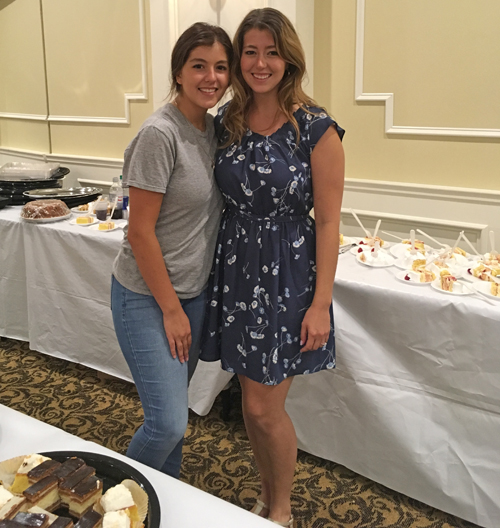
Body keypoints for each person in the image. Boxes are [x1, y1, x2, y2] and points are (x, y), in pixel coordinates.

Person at [200, 8, 345, 526]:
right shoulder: (226, 122)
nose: (261, 63)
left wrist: (321, 304)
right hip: (236, 271)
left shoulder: (315, 127)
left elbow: (328, 222)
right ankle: (266, 492)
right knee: (249, 398)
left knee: (263, 407)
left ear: (289, 58)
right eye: (251, 51)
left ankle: (279, 509)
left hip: (288, 277)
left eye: (272, 52)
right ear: (239, 58)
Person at [110, 22, 232, 479]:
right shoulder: (160, 134)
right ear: (179, 71)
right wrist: (171, 309)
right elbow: (139, 232)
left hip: (193, 295)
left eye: (221, 67)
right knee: (166, 423)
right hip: (147, 296)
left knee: (175, 420)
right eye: (199, 65)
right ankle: (115, 499)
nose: (211, 77)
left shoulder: (214, 130)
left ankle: (166, 498)